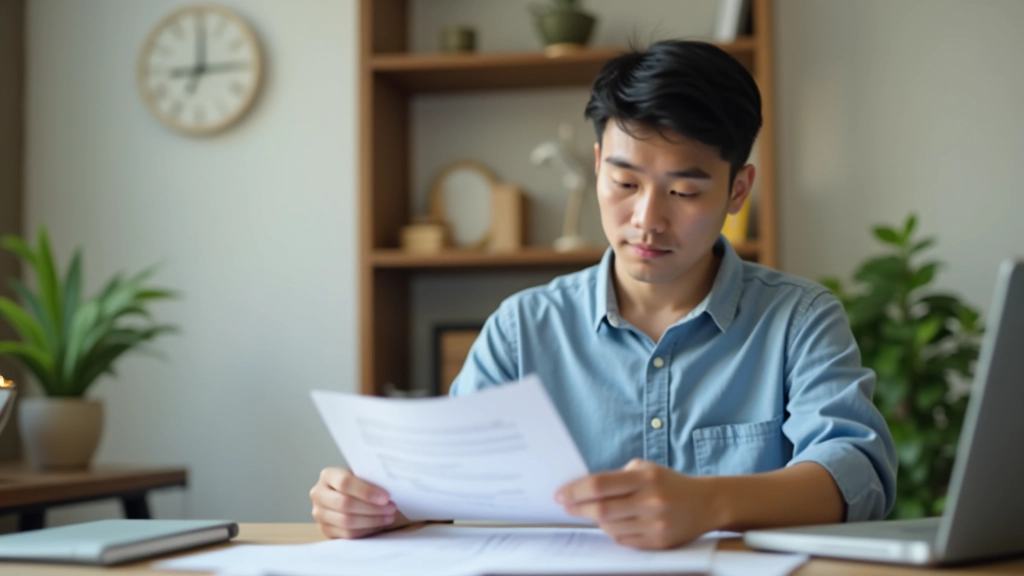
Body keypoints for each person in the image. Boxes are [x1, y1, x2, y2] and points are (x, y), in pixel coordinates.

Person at [310, 39, 897, 550]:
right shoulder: (522, 329)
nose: (647, 219)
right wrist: (373, 504)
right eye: (625, 183)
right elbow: (446, 484)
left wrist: (709, 503)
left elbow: (856, 473)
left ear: (737, 189)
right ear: (596, 167)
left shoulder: (799, 319)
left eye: (684, 193)